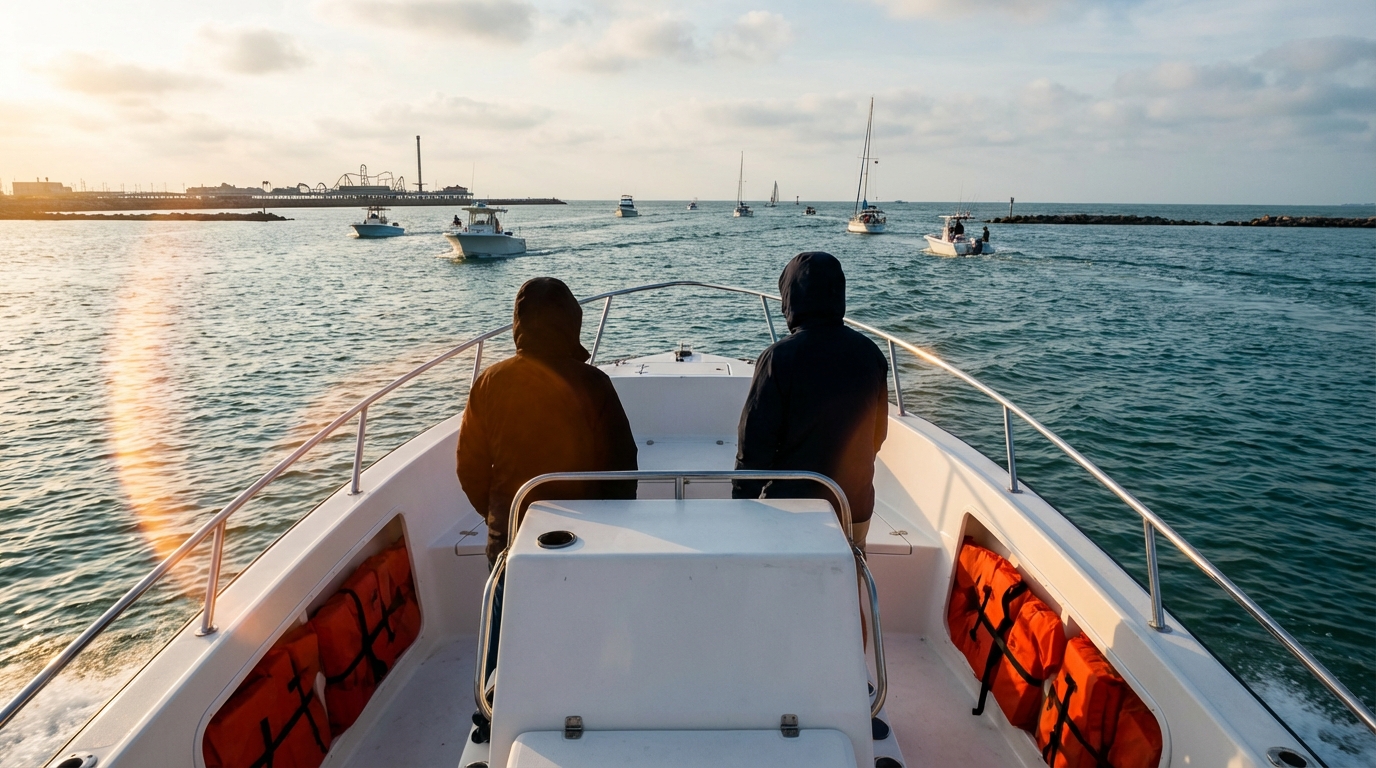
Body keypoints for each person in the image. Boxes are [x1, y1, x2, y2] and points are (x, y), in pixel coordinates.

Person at [457, 277, 638, 566]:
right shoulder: (594, 384)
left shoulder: (488, 383)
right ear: (571, 322)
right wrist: (610, 522)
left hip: (508, 541)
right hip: (586, 540)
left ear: (519, 323)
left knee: (508, 611)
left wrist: (500, 516)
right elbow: (623, 466)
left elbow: (469, 469)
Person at [733, 252, 889, 553]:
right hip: (853, 506)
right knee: (850, 577)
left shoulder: (778, 359)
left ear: (790, 297)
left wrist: (742, 506)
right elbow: (877, 437)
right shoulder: (871, 354)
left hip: (793, 510)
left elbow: (753, 448)